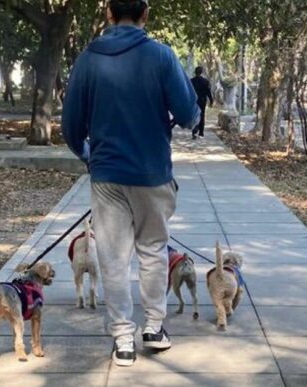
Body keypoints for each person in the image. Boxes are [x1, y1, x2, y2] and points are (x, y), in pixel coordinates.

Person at [61, 0, 199, 367]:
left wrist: (90, 155)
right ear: (146, 13)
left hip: (107, 175)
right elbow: (188, 114)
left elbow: (71, 126)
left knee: (113, 259)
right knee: (154, 251)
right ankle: (154, 328)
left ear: (108, 13)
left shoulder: (88, 59)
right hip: (153, 172)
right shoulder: (162, 56)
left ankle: (122, 339)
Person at [190, 66, 214, 139]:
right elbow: (208, 92)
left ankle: (194, 131)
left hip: (194, 101)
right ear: (202, 72)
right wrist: (211, 100)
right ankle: (201, 132)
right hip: (202, 101)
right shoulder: (205, 81)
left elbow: (188, 91)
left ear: (195, 72)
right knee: (202, 115)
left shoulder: (191, 81)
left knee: (194, 115)